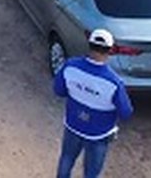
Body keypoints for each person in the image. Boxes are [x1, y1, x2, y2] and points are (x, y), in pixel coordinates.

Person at [53, 29, 134, 178]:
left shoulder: (70, 66)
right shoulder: (114, 82)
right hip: (98, 134)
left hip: (73, 125)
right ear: (110, 51)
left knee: (67, 158)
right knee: (92, 173)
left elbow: (59, 90)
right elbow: (126, 112)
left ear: (89, 45)